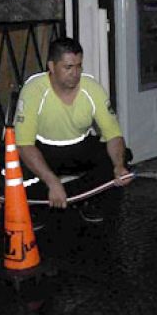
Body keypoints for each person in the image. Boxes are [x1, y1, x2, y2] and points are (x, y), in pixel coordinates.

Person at [14, 37, 131, 223]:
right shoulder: (33, 90)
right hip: (44, 149)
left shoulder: (92, 88)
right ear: (51, 66)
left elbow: (114, 135)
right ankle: (36, 207)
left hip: (78, 146)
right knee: (13, 165)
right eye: (68, 67)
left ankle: (88, 200)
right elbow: (24, 144)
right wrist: (52, 182)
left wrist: (118, 166)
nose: (75, 73)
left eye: (79, 66)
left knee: (122, 156)